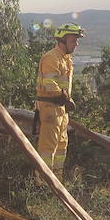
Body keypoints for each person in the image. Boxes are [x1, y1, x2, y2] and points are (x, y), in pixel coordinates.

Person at [35, 23, 84, 174]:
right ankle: (43, 183)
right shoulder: (52, 58)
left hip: (60, 111)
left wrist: (66, 100)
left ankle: (57, 180)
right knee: (48, 149)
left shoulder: (65, 59)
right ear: (62, 41)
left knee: (61, 146)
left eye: (77, 40)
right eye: (73, 41)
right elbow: (49, 84)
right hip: (50, 109)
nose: (76, 44)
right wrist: (65, 97)